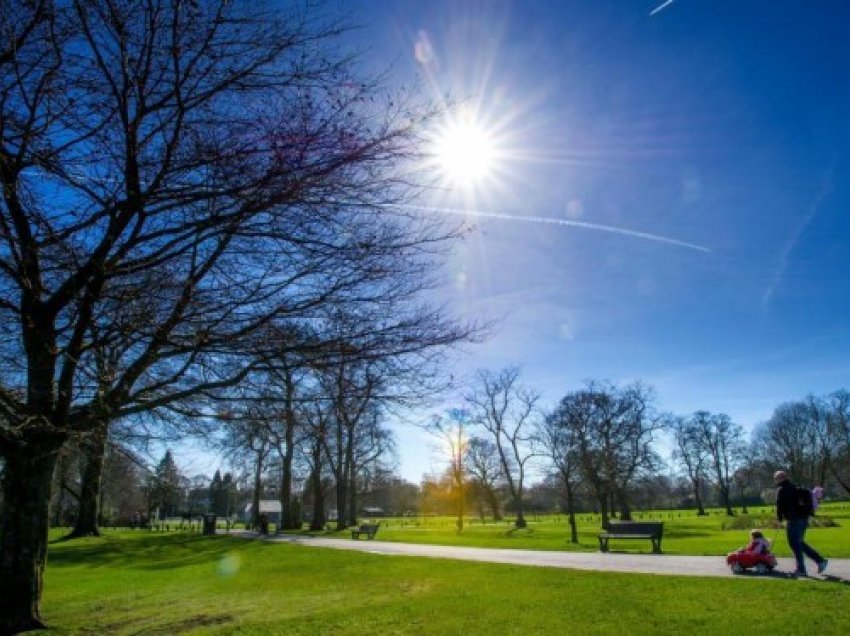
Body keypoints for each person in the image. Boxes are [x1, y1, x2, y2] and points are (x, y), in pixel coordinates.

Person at [774, 470, 828, 576]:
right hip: (803, 518)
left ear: (780, 478)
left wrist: (779, 519)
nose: (775, 481)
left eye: (776, 479)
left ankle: (801, 569)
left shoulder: (781, 490)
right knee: (799, 542)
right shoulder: (794, 487)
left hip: (793, 519)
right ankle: (820, 561)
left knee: (794, 543)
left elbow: (779, 505)